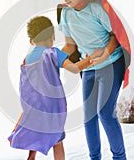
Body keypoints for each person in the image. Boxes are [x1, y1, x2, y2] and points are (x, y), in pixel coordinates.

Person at [40, 0, 131, 160]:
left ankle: (120, 157)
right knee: (89, 117)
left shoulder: (98, 7)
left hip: (111, 64)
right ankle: (94, 157)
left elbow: (115, 37)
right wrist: (51, 57)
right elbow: (70, 46)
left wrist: (104, 55)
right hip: (89, 67)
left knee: (105, 113)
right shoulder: (65, 13)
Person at [8, 16, 93, 160]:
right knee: (57, 141)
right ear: (52, 37)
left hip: (33, 108)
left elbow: (24, 84)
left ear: (31, 41)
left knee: (33, 139)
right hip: (52, 109)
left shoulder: (27, 58)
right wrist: (90, 59)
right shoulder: (53, 53)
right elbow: (74, 68)